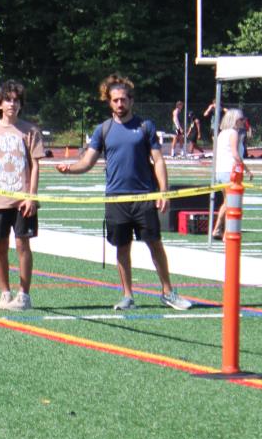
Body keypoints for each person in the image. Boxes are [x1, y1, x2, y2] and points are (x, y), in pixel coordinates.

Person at [57, 74, 191, 311]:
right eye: (115, 100)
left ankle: (168, 292)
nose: (120, 104)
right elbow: (87, 162)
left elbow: (159, 161)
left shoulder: (145, 126)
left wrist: (163, 192)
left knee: (155, 244)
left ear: (131, 100)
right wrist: (69, 169)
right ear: (109, 102)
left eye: (123, 99)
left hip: (144, 197)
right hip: (116, 198)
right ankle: (128, 296)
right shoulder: (103, 130)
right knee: (122, 247)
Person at [0, 80, 43, 311]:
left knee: (23, 245)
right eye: (8, 100)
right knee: (0, 246)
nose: (12, 104)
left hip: (22, 198)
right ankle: (5, 293)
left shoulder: (31, 131)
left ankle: (24, 295)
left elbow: (36, 166)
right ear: (0, 104)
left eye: (16, 100)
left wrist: (31, 196)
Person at [212, 108, 253, 238]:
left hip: (220, 170)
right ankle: (226, 233)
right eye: (241, 119)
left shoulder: (222, 134)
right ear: (235, 120)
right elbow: (235, 154)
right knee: (232, 204)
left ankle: (217, 229)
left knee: (227, 202)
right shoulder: (233, 133)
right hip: (230, 171)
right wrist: (247, 169)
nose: (243, 121)